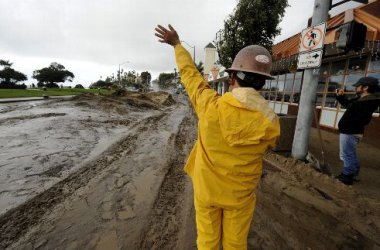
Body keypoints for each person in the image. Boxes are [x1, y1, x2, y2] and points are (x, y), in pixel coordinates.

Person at [155, 24, 280, 249]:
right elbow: (267, 147)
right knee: (236, 243)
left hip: (207, 191)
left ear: (232, 78)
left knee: (207, 241)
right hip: (240, 196)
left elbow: (191, 77)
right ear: (262, 83)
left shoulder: (210, 106)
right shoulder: (271, 121)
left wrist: (176, 45)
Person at [335, 76, 380, 185]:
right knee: (351, 153)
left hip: (350, 131)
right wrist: (340, 97)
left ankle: (347, 176)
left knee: (347, 154)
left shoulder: (367, 102)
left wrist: (346, 125)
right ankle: (353, 172)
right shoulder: (362, 99)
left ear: (365, 87)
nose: (355, 88)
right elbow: (348, 105)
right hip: (352, 131)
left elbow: (359, 117)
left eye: (358, 86)